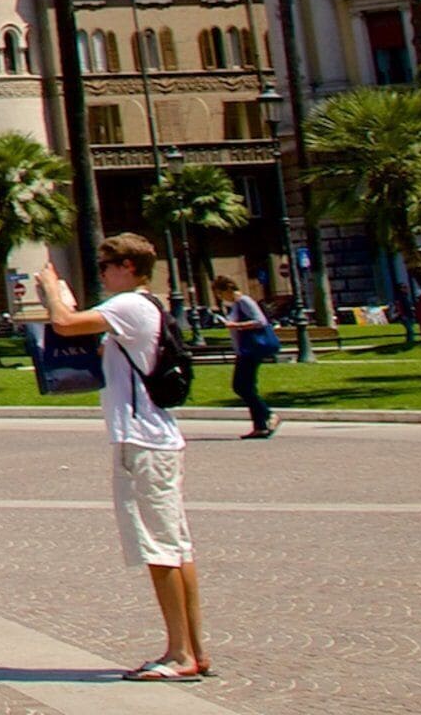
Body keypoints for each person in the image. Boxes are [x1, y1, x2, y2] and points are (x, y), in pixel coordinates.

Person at [38, 235, 209, 682]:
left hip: (142, 442)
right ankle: (193, 648)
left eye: (107, 265)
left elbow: (64, 325)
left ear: (129, 266)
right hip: (155, 439)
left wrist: (52, 289)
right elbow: (80, 333)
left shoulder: (131, 306)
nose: (103, 273)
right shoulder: (141, 309)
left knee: (159, 550)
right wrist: (62, 303)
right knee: (176, 546)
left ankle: (179, 655)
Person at [216, 274, 279, 439]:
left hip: (251, 349)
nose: (221, 298)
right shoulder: (236, 305)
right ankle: (260, 426)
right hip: (244, 350)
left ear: (229, 288)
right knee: (247, 387)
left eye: (221, 294)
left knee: (241, 386)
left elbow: (260, 321)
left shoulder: (244, 301)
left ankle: (268, 414)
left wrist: (235, 325)